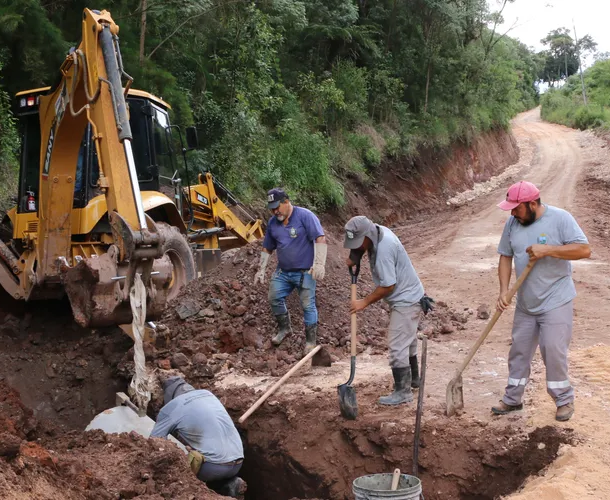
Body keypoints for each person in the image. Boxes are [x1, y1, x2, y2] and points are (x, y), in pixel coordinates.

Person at [490, 181, 591, 422]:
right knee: (519, 351)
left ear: (532, 204)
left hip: (556, 299)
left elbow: (584, 250)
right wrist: (504, 291)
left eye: (516, 208)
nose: (512, 213)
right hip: (526, 302)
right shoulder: (512, 223)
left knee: (552, 350)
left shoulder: (561, 219)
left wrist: (549, 250)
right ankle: (513, 400)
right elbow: (505, 257)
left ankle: (563, 400)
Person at [344, 215, 431, 406]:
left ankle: (403, 392)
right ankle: (413, 380)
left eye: (359, 243)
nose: (357, 246)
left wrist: (363, 302)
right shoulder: (376, 232)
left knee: (397, 344)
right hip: (410, 295)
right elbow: (361, 246)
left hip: (406, 300)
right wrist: (354, 257)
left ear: (367, 236)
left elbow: (388, 286)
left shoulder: (384, 249)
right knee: (407, 341)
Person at [253, 188, 327, 353]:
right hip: (284, 272)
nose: (275, 211)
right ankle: (285, 329)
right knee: (274, 297)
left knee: (308, 305)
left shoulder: (305, 216)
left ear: (286, 202)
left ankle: (310, 342)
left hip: (306, 272)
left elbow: (320, 237)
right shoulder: (273, 223)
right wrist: (261, 269)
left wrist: (320, 263)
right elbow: (267, 247)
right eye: (272, 208)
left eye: (277, 207)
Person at [150, 376, 245, 496]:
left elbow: (154, 443)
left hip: (211, 468)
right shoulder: (208, 394)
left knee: (171, 467)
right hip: (238, 461)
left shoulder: (172, 406)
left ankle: (199, 491)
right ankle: (229, 484)